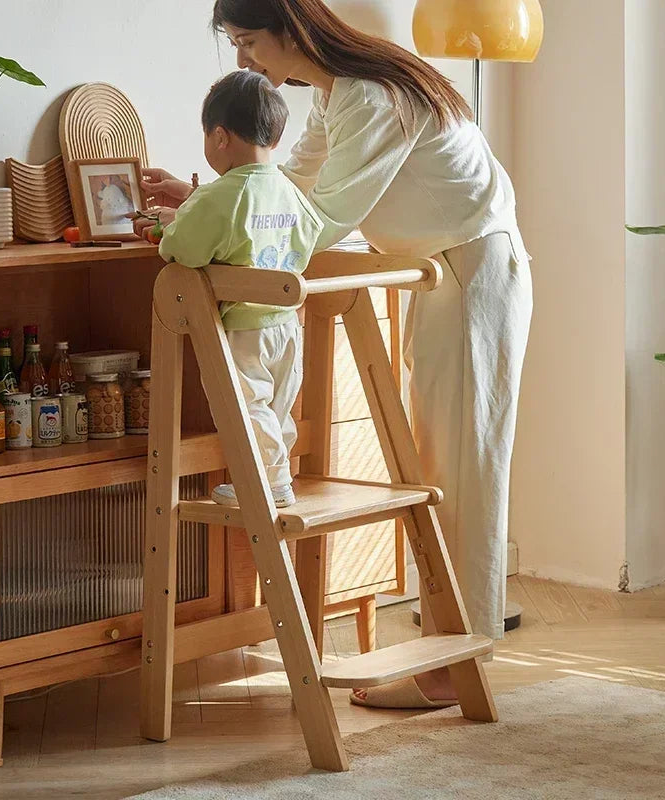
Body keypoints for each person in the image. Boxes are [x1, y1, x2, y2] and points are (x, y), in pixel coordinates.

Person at [132, 0, 533, 709]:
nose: (244, 61)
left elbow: (322, 219)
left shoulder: (373, 96)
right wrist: (204, 198)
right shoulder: (334, 98)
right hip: (445, 267)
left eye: (249, 42)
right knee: (444, 457)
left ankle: (455, 664)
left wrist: (204, 219)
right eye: (235, 44)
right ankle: (453, 650)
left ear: (291, 31)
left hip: (474, 269)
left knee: (463, 465)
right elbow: (287, 193)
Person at [153, 69, 323, 509]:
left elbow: (182, 248)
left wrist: (163, 232)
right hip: (287, 324)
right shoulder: (287, 188)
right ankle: (275, 473)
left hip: (244, 327)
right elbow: (310, 235)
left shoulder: (222, 195)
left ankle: (268, 484)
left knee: (245, 406)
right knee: (275, 409)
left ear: (221, 137)